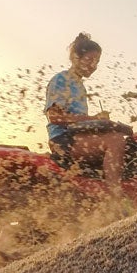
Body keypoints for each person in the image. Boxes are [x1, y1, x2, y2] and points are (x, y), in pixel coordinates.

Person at [45, 33, 126, 193]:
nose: (94, 65)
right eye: (89, 60)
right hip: (63, 140)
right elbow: (54, 117)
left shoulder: (80, 86)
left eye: (97, 62)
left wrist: (98, 123)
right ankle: (115, 198)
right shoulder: (61, 79)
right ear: (75, 58)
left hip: (77, 136)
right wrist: (93, 118)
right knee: (115, 141)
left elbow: (78, 120)